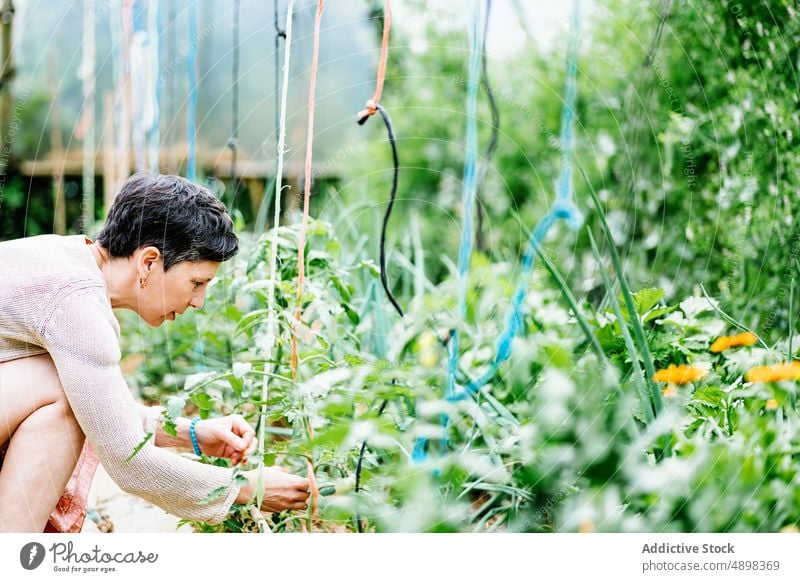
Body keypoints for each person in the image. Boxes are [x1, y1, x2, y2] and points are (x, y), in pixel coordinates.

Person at [0, 173, 310, 532]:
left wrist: (193, 433)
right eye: (196, 282)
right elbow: (128, 460)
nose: (199, 301)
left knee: (61, 388)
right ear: (148, 261)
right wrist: (245, 488)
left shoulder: (67, 261)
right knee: (61, 395)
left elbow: (102, 411)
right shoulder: (75, 301)